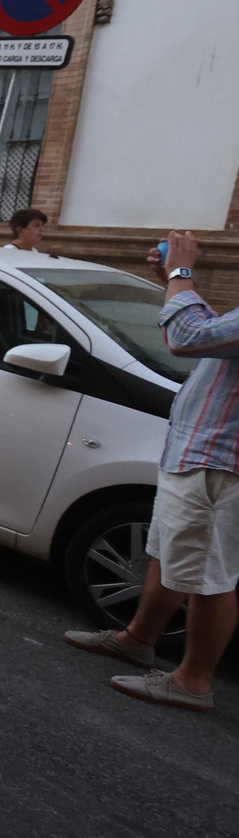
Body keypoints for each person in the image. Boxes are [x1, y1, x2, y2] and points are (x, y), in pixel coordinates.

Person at [63, 231, 239, 713]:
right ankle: (138, 639)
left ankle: (193, 680)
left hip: (221, 462)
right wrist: (175, 282)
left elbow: (189, 337)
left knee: (207, 576)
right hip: (199, 454)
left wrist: (181, 274)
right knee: (171, 553)